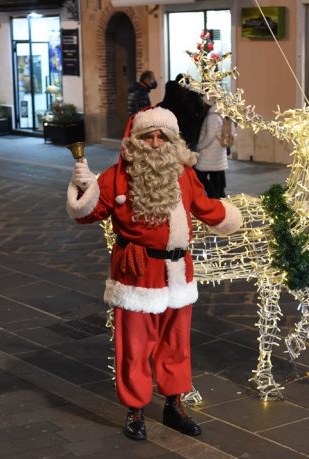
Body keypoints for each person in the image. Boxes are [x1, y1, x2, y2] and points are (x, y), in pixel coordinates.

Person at [66, 107, 242, 441]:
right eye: (149, 135)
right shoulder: (116, 176)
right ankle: (135, 410)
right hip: (137, 275)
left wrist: (235, 218)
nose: (156, 141)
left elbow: (206, 207)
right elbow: (87, 213)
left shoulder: (184, 174)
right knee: (135, 346)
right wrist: (81, 189)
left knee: (176, 345)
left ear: (174, 140)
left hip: (178, 273)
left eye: (163, 135)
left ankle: (174, 405)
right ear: (136, 140)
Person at [157, 74, 207, 151]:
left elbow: (200, 113)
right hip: (185, 138)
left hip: (181, 138)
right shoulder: (184, 104)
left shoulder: (192, 96)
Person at [194, 100, 230, 198]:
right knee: (216, 176)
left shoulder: (212, 117)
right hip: (218, 152)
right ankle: (218, 196)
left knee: (199, 175)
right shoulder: (222, 114)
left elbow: (210, 136)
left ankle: (213, 195)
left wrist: (199, 146)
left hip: (209, 153)